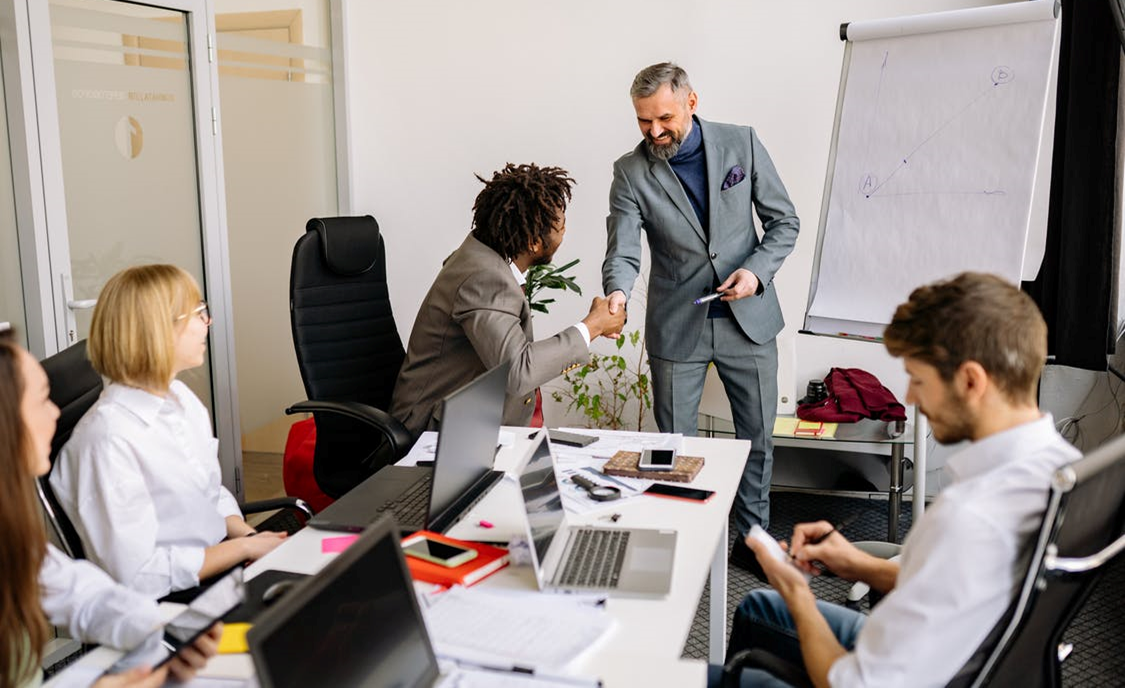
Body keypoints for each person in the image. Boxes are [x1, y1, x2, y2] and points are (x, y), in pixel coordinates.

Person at [716, 272, 1081, 687]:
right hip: (973, 656)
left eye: (919, 379)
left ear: (970, 381)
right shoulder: (1065, 468)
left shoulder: (968, 516)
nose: (910, 397)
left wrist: (798, 595)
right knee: (758, 610)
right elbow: (959, 587)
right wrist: (856, 563)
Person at [602, 62, 800, 554]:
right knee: (675, 448)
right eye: (644, 122)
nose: (655, 132)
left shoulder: (742, 143)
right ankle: (686, 545)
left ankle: (752, 540)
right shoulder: (630, 172)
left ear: (691, 101)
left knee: (756, 441)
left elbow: (784, 222)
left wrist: (755, 272)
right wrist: (618, 292)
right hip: (677, 326)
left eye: (664, 118)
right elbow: (623, 248)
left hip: (748, 321)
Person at [0, 330, 219, 688]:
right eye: (42, 401)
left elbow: (81, 595)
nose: (56, 412)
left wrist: (162, 629)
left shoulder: (10, 530)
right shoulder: (106, 435)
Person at [51, 265, 286, 598]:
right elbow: (139, 576)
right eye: (199, 312)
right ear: (160, 331)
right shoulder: (106, 441)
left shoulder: (179, 399)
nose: (208, 322)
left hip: (220, 565)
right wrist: (244, 551)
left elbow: (209, 495)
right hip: (173, 600)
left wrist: (252, 539)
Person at [391, 163, 626, 438]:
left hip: (468, 422)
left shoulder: (484, 255)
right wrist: (592, 326)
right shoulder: (484, 278)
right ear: (533, 243)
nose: (564, 232)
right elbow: (518, 371)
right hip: (433, 435)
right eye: (561, 226)